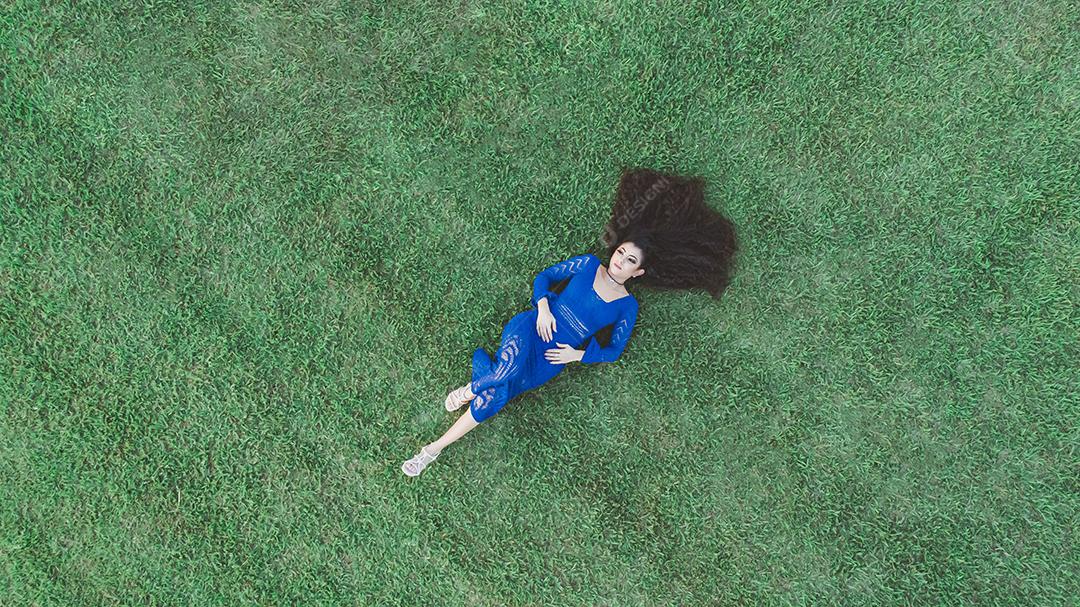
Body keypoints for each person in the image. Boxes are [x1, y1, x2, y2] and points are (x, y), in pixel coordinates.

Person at [402, 168, 738, 477]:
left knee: (498, 397)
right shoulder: (589, 265)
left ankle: (433, 448)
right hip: (532, 327)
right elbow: (545, 277)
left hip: (553, 358)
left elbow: (613, 350)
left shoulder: (627, 307)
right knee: (506, 373)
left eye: (630, 261)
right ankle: (470, 390)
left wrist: (576, 355)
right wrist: (545, 308)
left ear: (639, 272)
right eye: (621, 252)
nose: (620, 261)